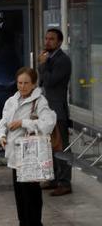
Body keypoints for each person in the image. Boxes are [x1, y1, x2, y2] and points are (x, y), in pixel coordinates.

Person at [0, 67, 57, 226]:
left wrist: (24, 122)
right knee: (20, 192)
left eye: (26, 83)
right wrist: (1, 136)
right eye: (20, 83)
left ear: (34, 84)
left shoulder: (39, 102)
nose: (22, 86)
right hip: (15, 153)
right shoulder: (12, 101)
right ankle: (24, 225)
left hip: (30, 154)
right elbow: (2, 123)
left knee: (32, 193)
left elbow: (48, 123)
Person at [38, 28, 72, 196]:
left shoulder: (63, 60)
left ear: (59, 42)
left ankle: (65, 183)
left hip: (58, 110)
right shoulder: (49, 58)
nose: (47, 42)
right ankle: (53, 179)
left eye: (51, 39)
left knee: (61, 147)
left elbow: (50, 82)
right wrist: (43, 64)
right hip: (47, 110)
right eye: (46, 38)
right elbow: (41, 81)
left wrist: (43, 65)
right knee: (50, 147)